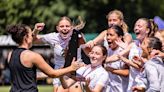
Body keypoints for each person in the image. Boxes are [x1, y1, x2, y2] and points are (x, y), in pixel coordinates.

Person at [6, 24, 81, 92]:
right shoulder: (32, 56)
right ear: (26, 37)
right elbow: (53, 74)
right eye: (31, 35)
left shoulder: (10, 54)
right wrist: (71, 68)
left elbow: (27, 75)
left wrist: (58, 72)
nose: (33, 37)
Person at [32, 16, 87, 92]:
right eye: (62, 26)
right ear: (57, 28)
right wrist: (36, 30)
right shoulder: (52, 37)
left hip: (76, 70)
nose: (64, 28)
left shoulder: (78, 37)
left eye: (67, 26)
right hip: (59, 72)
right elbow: (32, 41)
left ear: (71, 27)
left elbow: (88, 51)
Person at [104, 25, 129, 92]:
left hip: (122, 89)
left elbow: (127, 72)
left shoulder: (124, 51)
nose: (108, 37)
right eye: (107, 35)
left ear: (119, 37)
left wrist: (111, 70)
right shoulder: (107, 50)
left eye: (111, 35)